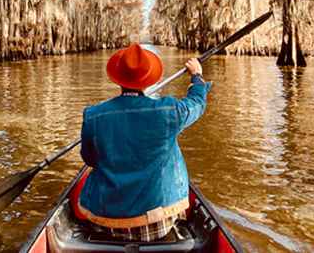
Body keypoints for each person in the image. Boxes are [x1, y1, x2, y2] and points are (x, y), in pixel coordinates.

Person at [76, 43, 212, 242]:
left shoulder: (93, 115)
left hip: (106, 222)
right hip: (158, 224)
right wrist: (197, 77)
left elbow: (89, 159)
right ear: (147, 81)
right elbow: (197, 104)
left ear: (117, 79)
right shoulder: (169, 111)